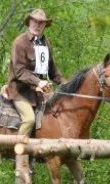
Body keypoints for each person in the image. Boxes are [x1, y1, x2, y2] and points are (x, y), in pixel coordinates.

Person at [7, 8, 67, 137]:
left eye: (41, 23)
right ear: (29, 22)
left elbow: (52, 69)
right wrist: (38, 82)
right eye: (35, 21)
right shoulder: (20, 42)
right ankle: (20, 152)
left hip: (41, 93)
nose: (37, 25)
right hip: (21, 92)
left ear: (45, 25)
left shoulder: (46, 43)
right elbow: (19, 71)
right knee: (29, 120)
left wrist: (66, 83)